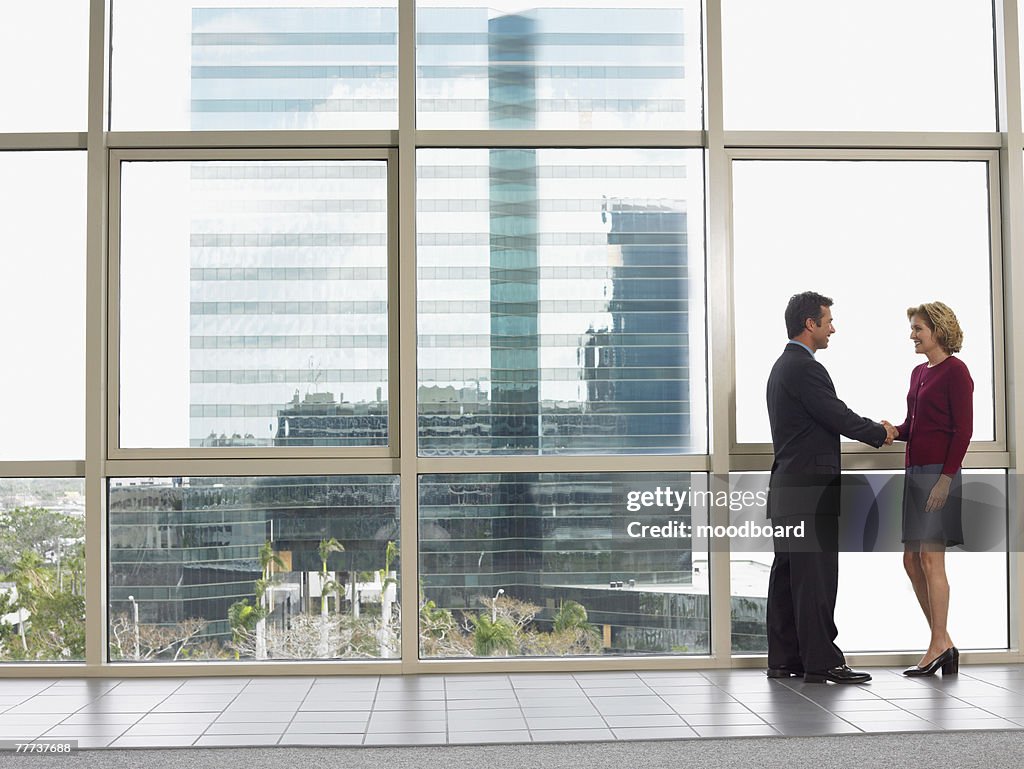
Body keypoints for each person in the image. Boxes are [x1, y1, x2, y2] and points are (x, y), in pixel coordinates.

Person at [766, 291, 896, 684]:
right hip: (810, 491)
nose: (832, 328)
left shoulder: (780, 367)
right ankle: (822, 662)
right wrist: (880, 432)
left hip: (788, 486)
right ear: (810, 324)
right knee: (816, 578)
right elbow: (835, 413)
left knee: (789, 576)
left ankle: (785, 659)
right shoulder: (805, 368)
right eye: (827, 321)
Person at [891, 302, 972, 677]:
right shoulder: (918, 373)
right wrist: (892, 431)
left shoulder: (957, 372)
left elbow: (963, 431)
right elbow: (915, 424)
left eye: (918, 328)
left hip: (939, 475)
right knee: (911, 560)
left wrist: (946, 479)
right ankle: (944, 642)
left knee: (930, 560)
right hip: (915, 473)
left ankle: (938, 644)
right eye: (912, 328)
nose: (912, 335)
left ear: (937, 330)